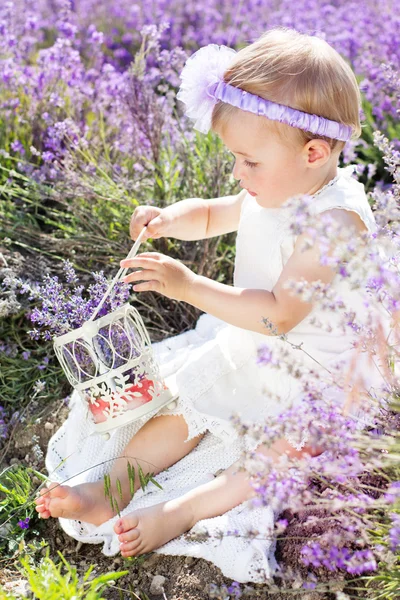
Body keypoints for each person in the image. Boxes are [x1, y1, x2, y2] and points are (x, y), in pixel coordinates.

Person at [35, 27, 382, 580]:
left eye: (248, 161)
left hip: (322, 373)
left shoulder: (334, 221)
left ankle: (183, 510)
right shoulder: (277, 184)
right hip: (252, 345)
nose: (238, 175)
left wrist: (190, 286)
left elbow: (281, 313)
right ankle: (108, 489)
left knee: (283, 454)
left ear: (314, 152)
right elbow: (219, 212)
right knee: (184, 408)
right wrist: (173, 218)